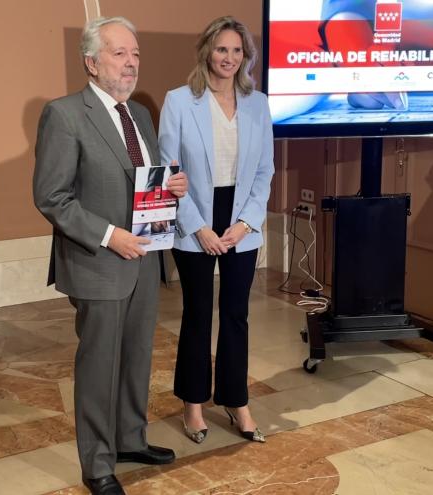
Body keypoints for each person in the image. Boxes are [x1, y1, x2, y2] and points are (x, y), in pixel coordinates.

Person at [33, 16, 187, 495]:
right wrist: (108, 235)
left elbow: (144, 182)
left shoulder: (140, 114)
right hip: (99, 261)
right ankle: (98, 463)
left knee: (137, 356)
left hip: (145, 258)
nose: (131, 63)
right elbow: (52, 197)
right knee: (100, 365)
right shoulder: (64, 115)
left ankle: (130, 440)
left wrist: (172, 186)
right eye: (120, 53)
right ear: (92, 63)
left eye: (135, 54)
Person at [158, 16, 274, 445]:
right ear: (207, 50)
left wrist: (245, 224)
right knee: (197, 313)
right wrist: (198, 227)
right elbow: (169, 172)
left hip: (241, 220)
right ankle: (193, 404)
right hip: (194, 218)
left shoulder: (258, 103)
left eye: (237, 50)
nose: (229, 57)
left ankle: (236, 400)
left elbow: (265, 171)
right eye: (222, 49)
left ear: (246, 56)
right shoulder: (178, 101)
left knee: (236, 314)